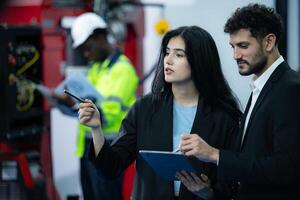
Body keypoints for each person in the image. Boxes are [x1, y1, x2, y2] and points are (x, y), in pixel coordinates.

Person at [78, 25, 241, 200]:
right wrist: (96, 129)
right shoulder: (144, 108)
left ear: (199, 61)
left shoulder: (224, 116)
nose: (168, 60)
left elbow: (232, 185)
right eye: (167, 52)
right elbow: (111, 168)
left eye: (179, 55)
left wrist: (207, 192)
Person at [179, 4, 300, 200]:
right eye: (233, 47)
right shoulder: (261, 88)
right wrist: (209, 191)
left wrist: (214, 154)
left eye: (243, 46)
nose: (236, 55)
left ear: (269, 42)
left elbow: (285, 168)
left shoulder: (291, 89)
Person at [54, 12, 139, 200]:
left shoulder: (123, 70)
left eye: (87, 48)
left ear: (99, 37)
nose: (86, 53)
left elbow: (106, 114)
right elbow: (87, 103)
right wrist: (69, 103)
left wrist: (82, 107)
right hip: (88, 145)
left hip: (109, 147)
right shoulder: (96, 69)